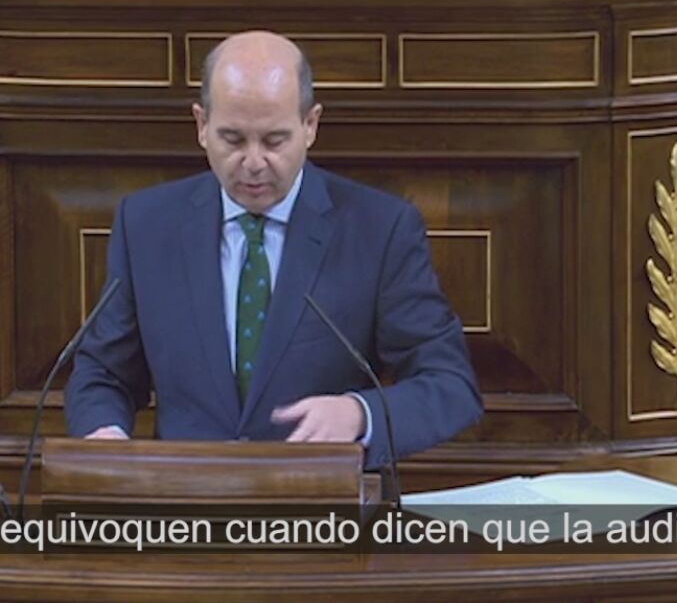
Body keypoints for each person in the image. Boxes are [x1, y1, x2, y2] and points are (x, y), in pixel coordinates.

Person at [65, 30, 481, 470]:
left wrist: (361, 414)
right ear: (201, 125)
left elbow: (451, 384)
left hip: (319, 499)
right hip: (183, 497)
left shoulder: (380, 230)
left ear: (310, 125)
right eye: (232, 139)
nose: (253, 162)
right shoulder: (147, 225)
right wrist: (104, 434)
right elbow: (103, 373)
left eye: (274, 140)